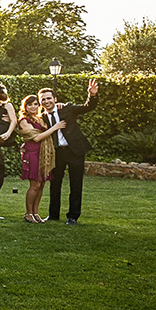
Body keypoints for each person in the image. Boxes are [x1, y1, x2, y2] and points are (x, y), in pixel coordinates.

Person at [40, 79, 99, 225]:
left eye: (49, 98)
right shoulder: (41, 118)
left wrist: (92, 95)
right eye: (43, 99)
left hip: (75, 151)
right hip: (56, 154)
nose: (46, 101)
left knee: (76, 184)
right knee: (55, 185)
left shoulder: (67, 108)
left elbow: (88, 107)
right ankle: (53, 215)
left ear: (55, 99)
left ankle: (72, 216)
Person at [17, 95, 65, 223]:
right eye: (30, 104)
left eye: (35, 104)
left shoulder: (40, 118)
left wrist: (58, 104)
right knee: (35, 184)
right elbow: (36, 138)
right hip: (32, 153)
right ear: (25, 106)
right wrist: (55, 127)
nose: (33, 107)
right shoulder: (24, 120)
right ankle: (28, 213)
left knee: (42, 184)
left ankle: (35, 213)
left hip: (43, 154)